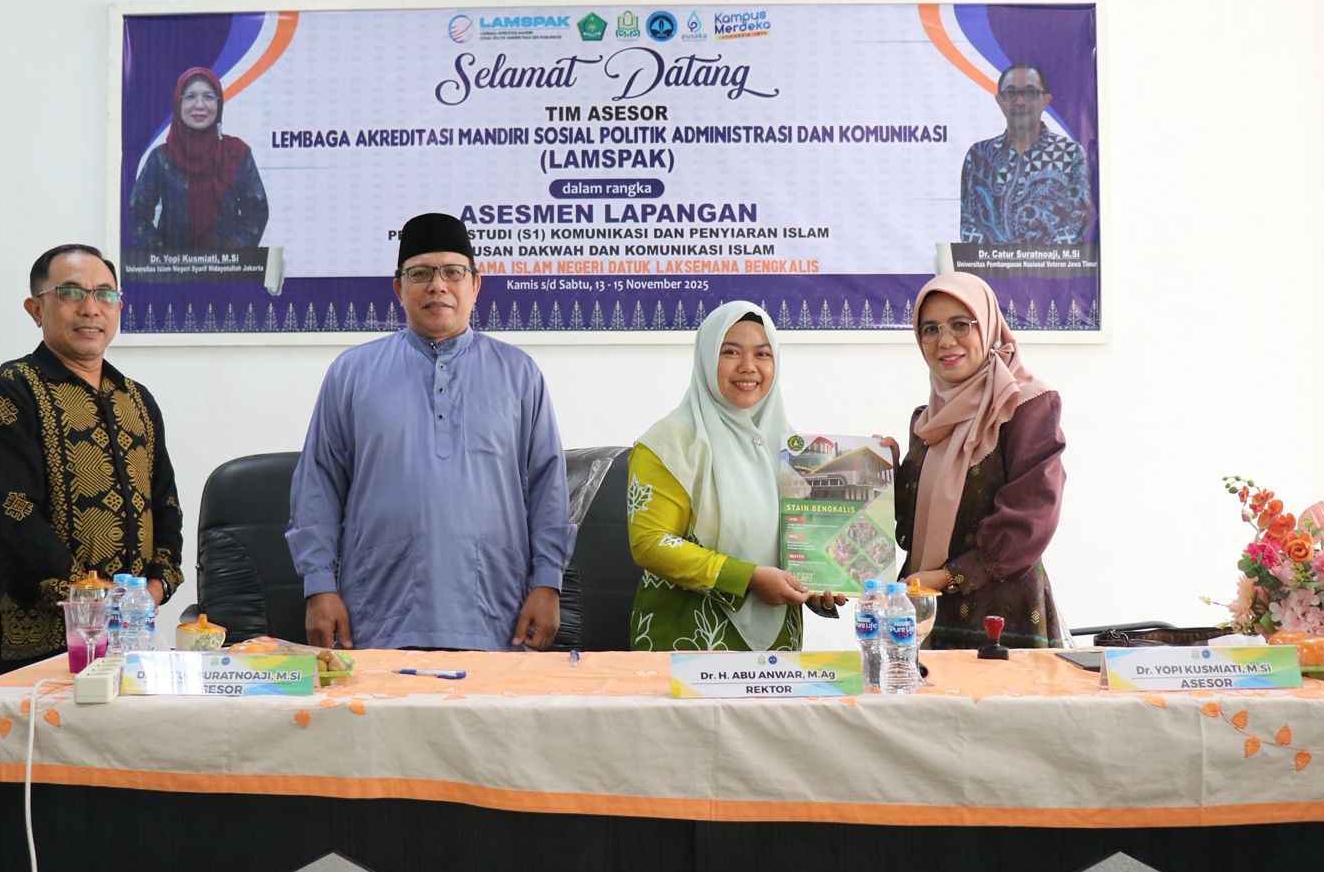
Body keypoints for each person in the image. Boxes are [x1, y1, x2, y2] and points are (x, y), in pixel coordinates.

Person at [288, 213, 574, 651]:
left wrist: (548, 582)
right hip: (378, 608)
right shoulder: (352, 373)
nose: (438, 285)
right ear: (398, 288)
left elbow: (547, 487)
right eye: (420, 273)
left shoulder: (519, 374)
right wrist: (319, 586)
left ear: (475, 286)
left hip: (495, 608)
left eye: (453, 272)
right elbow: (318, 485)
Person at [0, 244, 184, 675]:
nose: (90, 308)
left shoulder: (137, 400)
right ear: (36, 309)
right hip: (42, 645)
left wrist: (155, 587)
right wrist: (93, 599)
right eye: (71, 293)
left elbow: (166, 504)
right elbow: (11, 515)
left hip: (134, 637)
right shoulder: (9, 394)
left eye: (105, 294)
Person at [627, 301, 845, 652]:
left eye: (762, 354)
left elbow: (804, 545)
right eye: (730, 352)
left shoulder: (790, 447)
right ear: (706, 358)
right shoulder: (670, 442)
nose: (748, 366)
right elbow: (651, 543)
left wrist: (820, 583)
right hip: (687, 641)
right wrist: (748, 578)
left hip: (777, 648)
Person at [891, 272, 1066, 649]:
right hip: (927, 612)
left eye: (960, 324)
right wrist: (884, 473)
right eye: (930, 329)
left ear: (987, 326)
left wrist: (951, 576)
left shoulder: (1026, 406)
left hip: (1001, 615)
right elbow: (908, 528)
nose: (945, 341)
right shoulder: (927, 422)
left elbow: (1033, 515)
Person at [127, 67, 268, 253]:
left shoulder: (236, 153)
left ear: (219, 104)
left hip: (226, 267)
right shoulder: (160, 158)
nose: (199, 105)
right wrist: (161, 254)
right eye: (190, 96)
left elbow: (257, 211)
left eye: (208, 97)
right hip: (173, 268)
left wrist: (234, 253)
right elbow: (137, 213)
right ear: (178, 103)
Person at [959, 62, 1093, 244]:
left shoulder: (1069, 154)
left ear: (1045, 100)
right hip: (991, 262)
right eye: (1010, 93)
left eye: (1029, 93)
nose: (1019, 101)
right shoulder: (979, 155)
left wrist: (1038, 258)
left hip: (1053, 261)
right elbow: (969, 224)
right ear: (1000, 101)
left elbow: (1081, 222)